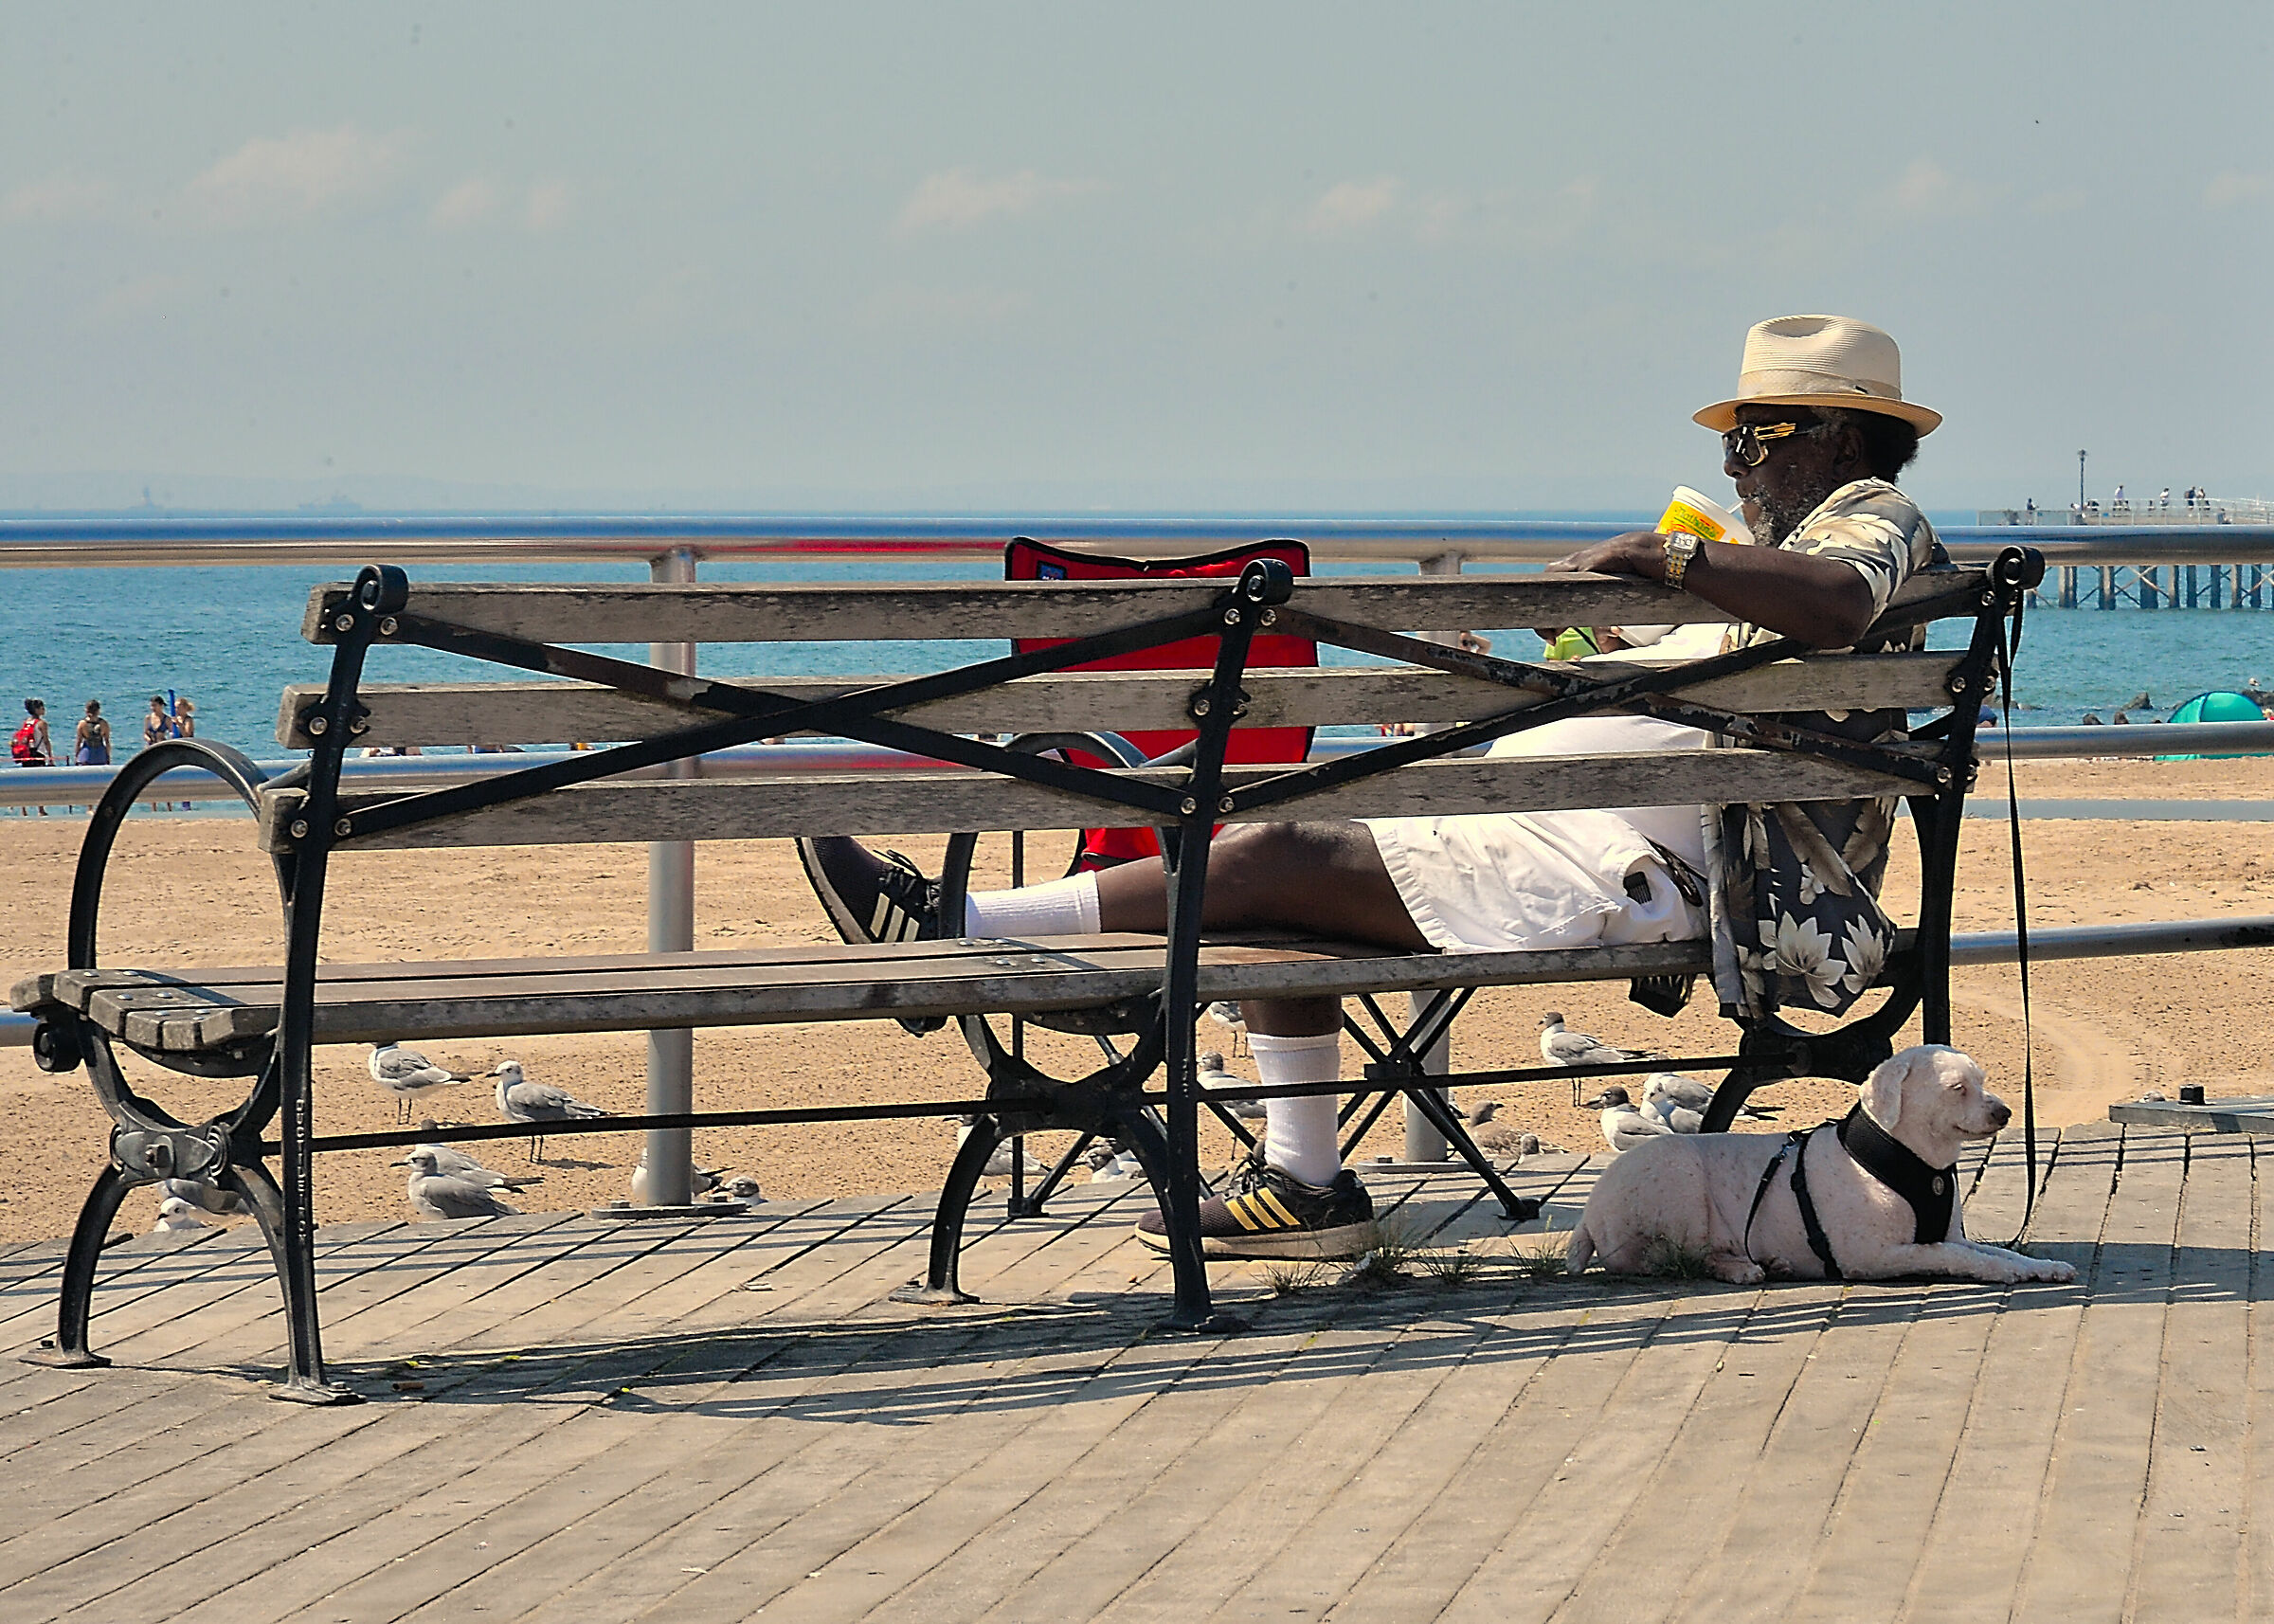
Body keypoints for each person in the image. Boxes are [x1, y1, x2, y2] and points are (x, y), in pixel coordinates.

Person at [802, 314, 1945, 1260]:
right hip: (1584, 847)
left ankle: (950, 928)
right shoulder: (1795, 553)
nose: (1738, 467)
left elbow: (1841, 605)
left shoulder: (1871, 521)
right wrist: (1610, 642)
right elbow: (1747, 670)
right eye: (1736, 444)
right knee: (1288, 874)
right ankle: (1305, 1184)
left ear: (1839, 437)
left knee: (1274, 849)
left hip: (1650, 878)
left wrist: (1668, 558)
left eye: (1756, 438)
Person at [11, 698, 52, 767]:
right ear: (36, 710)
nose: (44, 710)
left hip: (26, 754)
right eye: (42, 708)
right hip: (38, 754)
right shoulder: (42, 723)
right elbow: (46, 741)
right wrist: (50, 757)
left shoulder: (26, 722)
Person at [73, 699, 111, 766]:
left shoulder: (82, 724)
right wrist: (108, 757)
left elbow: (78, 742)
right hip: (100, 755)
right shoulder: (104, 724)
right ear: (98, 711)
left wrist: (76, 756)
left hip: (86, 755)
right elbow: (107, 742)